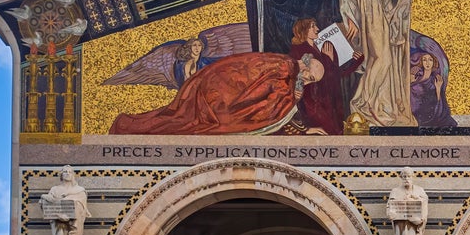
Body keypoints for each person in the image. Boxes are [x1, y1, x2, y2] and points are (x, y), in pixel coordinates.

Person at [109, 49, 326, 135]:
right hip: (216, 98)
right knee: (181, 124)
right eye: (311, 78)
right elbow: (262, 100)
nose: (307, 83)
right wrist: (300, 123)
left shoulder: (284, 66)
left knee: (176, 122)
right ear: (306, 67)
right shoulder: (284, 67)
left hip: (211, 88)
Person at [340, 0, 415, 126]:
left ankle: (380, 104)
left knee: (387, 63)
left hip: (391, 19)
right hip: (369, 16)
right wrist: (350, 19)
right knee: (382, 59)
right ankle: (362, 102)